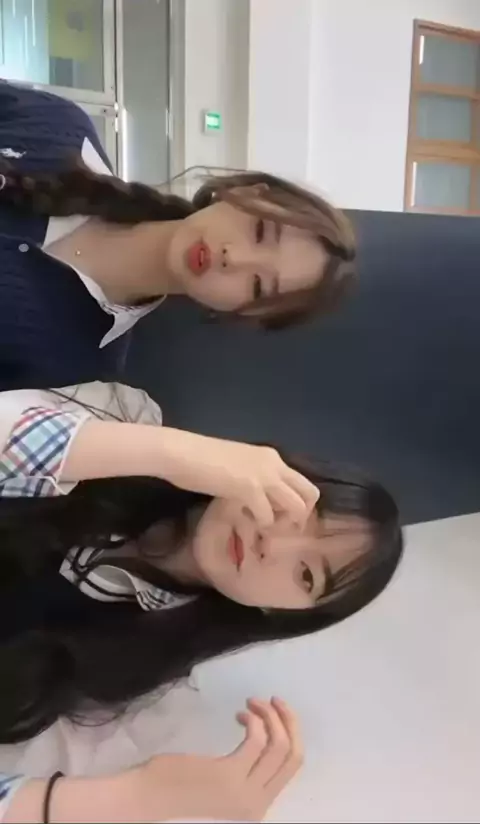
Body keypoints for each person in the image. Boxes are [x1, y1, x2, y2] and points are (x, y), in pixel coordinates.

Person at [0, 379, 403, 822]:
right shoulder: (125, 419)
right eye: (298, 512)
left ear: (280, 613)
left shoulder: (137, 699)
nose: (272, 545)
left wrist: (143, 798)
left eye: (305, 574)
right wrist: (165, 454)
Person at [0, 81, 355, 391]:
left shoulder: (76, 372)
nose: (234, 258)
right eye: (260, 231)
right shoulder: (55, 128)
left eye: (258, 285)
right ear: (248, 192)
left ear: (245, 313)